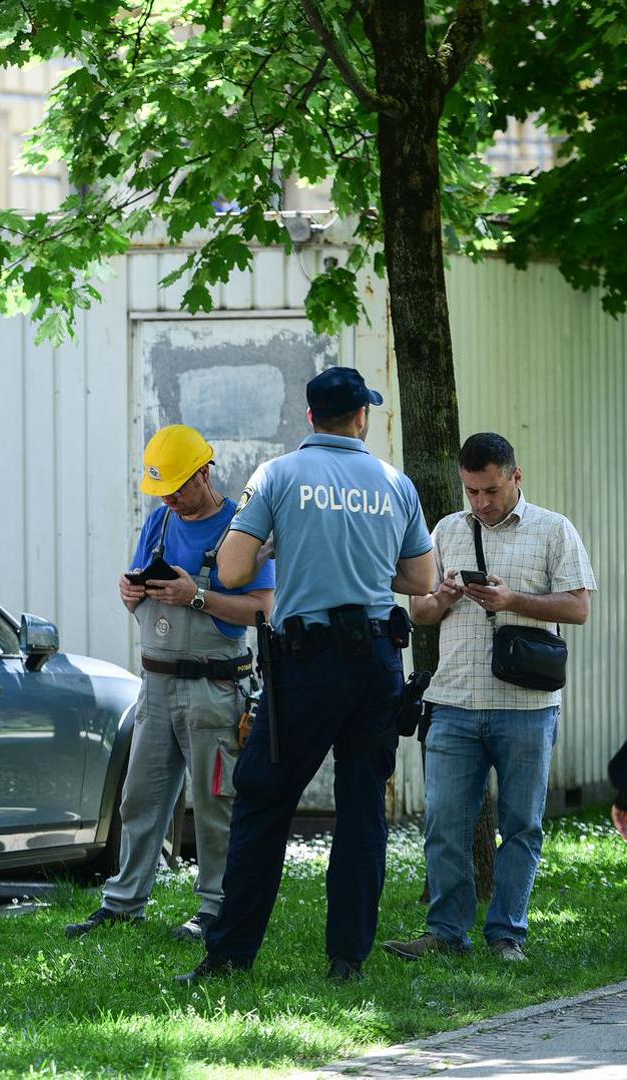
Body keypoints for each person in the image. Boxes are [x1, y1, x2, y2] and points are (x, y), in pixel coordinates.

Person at [175, 367, 437, 984]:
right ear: (362, 418)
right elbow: (423, 579)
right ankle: (348, 959)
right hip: (376, 662)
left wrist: (285, 547)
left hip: (307, 664)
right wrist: (367, 563)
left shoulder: (280, 474)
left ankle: (229, 955)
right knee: (363, 808)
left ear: (312, 419)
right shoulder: (394, 483)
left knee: (264, 800)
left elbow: (234, 572)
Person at [384, 433, 594, 965]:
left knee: (521, 824)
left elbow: (577, 608)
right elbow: (419, 613)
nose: (480, 502)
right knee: (444, 823)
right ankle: (446, 932)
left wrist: (512, 599)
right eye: (471, 491)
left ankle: (507, 935)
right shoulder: (447, 530)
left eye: (491, 490)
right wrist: (445, 597)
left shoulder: (553, 529)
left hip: (527, 706)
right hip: (453, 700)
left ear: (516, 478)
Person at [65, 425, 274, 943]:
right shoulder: (158, 522)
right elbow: (143, 588)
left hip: (215, 687)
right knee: (140, 797)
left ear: (206, 471)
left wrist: (196, 596)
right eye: (164, 490)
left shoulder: (240, 527)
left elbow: (262, 609)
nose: (172, 498)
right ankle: (123, 902)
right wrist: (130, 593)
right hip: (155, 686)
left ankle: (215, 908)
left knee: (214, 803)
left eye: (180, 486)